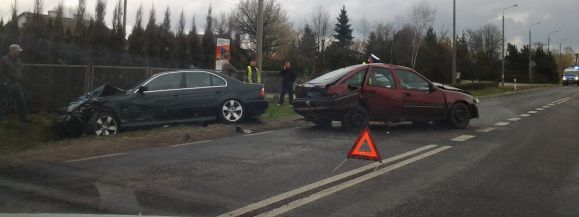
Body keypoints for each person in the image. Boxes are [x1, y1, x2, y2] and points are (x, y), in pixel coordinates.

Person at [0, 44, 30, 123]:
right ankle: (1, 118)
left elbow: (21, 71)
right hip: (7, 84)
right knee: (4, 102)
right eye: (17, 51)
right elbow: (0, 72)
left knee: (21, 101)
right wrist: (6, 81)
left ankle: (23, 118)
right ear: (12, 50)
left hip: (18, 84)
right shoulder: (4, 60)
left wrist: (22, 79)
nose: (19, 52)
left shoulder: (19, 60)